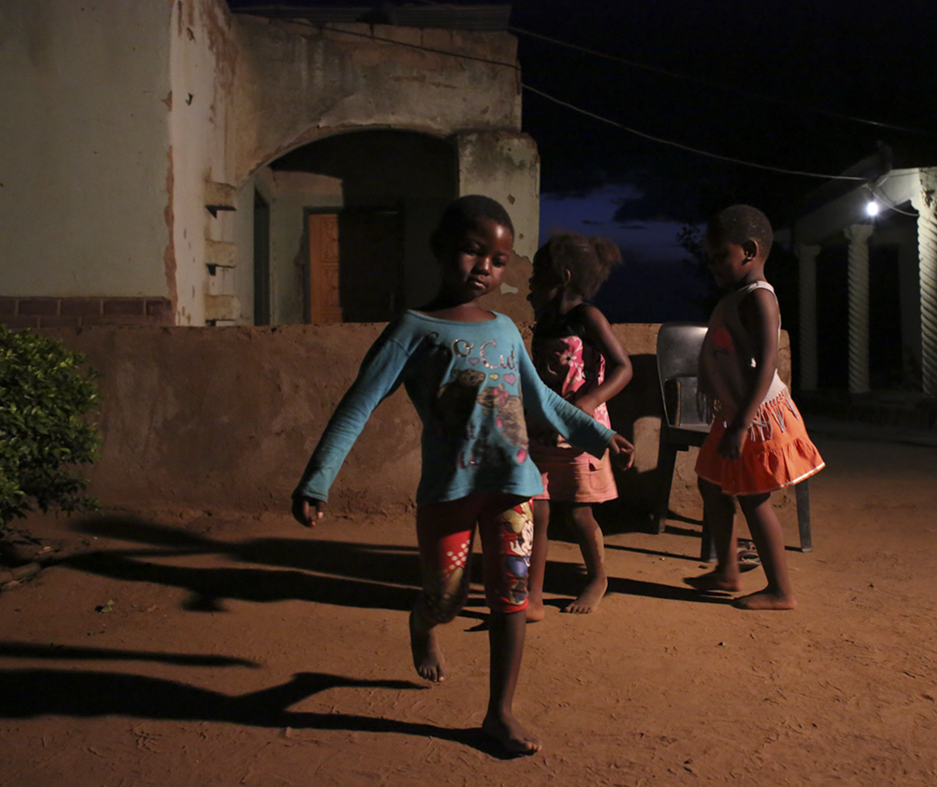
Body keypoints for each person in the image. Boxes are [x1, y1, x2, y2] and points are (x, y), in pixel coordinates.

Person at [290, 195, 635, 754]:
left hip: (515, 487)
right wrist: (316, 478)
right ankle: (422, 624)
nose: (485, 268)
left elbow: (541, 400)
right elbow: (358, 404)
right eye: (473, 252)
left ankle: (499, 713)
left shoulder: (503, 329)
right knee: (445, 597)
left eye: (498, 260)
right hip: (449, 492)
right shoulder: (412, 328)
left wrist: (599, 434)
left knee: (512, 597)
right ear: (439, 249)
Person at [686, 204, 824, 610]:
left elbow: (768, 362)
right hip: (736, 411)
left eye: (719, 257)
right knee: (710, 483)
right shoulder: (739, 296)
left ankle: (781, 590)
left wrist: (743, 422)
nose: (713, 267)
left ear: (748, 250)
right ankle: (728, 570)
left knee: (753, 496)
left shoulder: (759, 298)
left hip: (755, 415)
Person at [524, 232, 632, 620]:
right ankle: (532, 596)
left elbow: (624, 367)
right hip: (542, 431)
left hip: (582, 435)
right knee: (535, 508)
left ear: (564, 277)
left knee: (578, 513)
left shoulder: (587, 317)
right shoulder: (546, 321)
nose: (530, 286)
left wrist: (585, 405)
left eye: (537, 275)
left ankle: (597, 578)